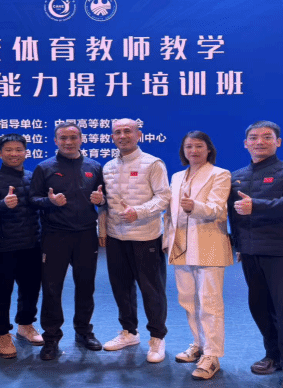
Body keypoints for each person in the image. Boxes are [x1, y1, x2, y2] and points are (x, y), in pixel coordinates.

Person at [228, 120, 283, 388]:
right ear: (245, 143)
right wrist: (239, 245)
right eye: (253, 137)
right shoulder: (237, 176)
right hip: (251, 252)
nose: (259, 142)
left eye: (266, 137)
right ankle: (273, 355)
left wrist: (257, 206)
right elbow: (234, 216)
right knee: (261, 308)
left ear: (278, 142)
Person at [28, 122, 105, 360]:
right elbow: (32, 199)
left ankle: (84, 331)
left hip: (86, 235)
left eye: (73, 137)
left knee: (86, 286)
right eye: (63, 138)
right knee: (52, 288)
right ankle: (51, 337)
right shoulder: (44, 167)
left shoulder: (94, 166)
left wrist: (101, 200)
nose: (68, 142)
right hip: (54, 236)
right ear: (55, 141)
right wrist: (49, 202)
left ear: (81, 139)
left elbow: (104, 198)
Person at [100, 118, 171, 363]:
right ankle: (129, 332)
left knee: (152, 289)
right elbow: (107, 202)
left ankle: (157, 337)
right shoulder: (108, 166)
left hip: (145, 236)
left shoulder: (153, 163)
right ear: (112, 137)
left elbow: (164, 197)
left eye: (127, 131)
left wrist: (138, 212)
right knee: (121, 288)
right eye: (117, 132)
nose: (122, 136)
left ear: (138, 134)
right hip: (116, 237)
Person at [164, 131, 233, 380]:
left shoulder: (220, 174)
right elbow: (170, 213)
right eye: (189, 146)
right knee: (188, 301)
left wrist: (195, 206)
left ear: (209, 149)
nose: (193, 151)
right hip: (180, 246)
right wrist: (167, 240)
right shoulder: (177, 176)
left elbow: (217, 209)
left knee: (209, 302)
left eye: (199, 146)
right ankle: (199, 344)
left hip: (209, 246)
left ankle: (212, 356)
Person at [0, 133, 43, 359]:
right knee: (0, 293)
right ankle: (2, 333)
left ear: (26, 152)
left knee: (31, 289)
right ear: (0, 153)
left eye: (18, 149)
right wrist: (3, 204)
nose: (14, 154)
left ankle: (25, 325)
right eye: (8, 150)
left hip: (32, 244)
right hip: (3, 247)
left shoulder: (33, 177)